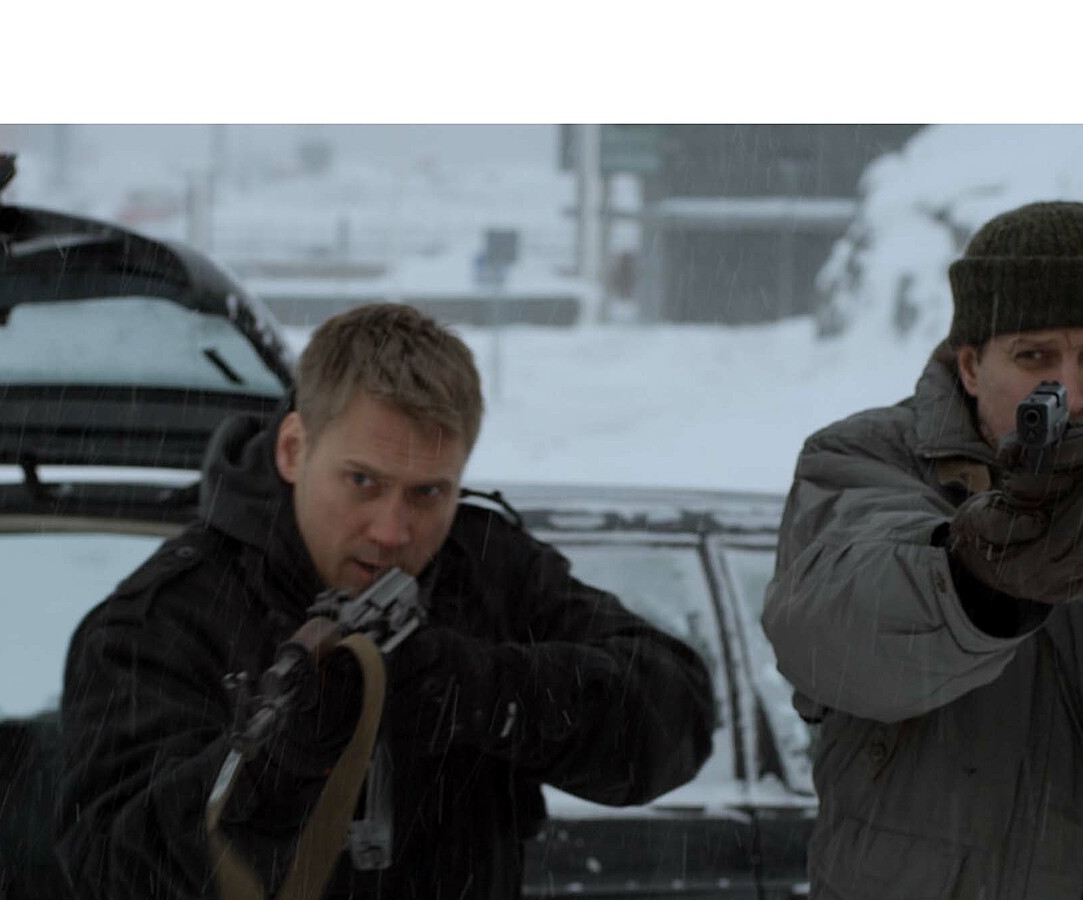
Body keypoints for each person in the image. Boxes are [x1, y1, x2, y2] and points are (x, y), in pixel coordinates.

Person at [55, 303, 714, 899]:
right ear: (293, 449)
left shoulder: (486, 569)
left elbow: (675, 718)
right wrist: (274, 761)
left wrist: (486, 691)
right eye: (363, 482)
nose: (394, 531)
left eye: (429, 492)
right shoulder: (165, 620)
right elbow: (111, 869)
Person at [761, 201, 1083, 899]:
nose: (1069, 394)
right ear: (971, 365)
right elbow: (833, 637)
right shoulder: (862, 457)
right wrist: (975, 582)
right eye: (1034, 356)